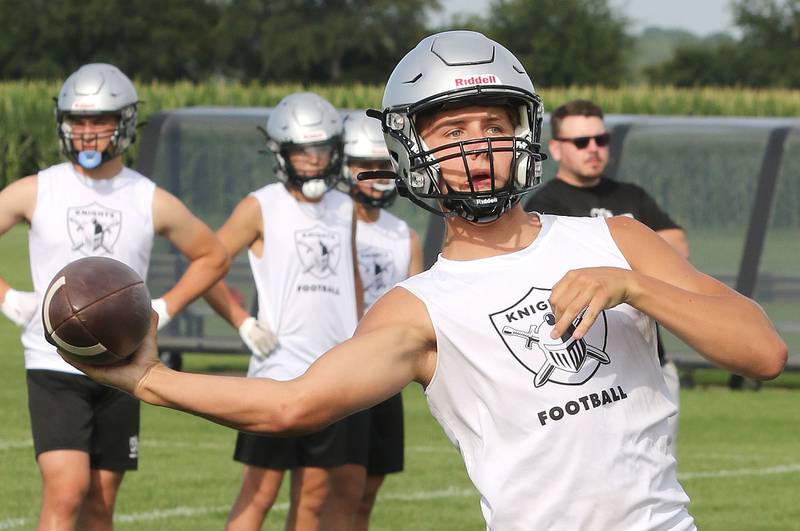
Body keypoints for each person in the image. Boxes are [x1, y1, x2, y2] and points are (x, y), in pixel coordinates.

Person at [66, 32, 786, 531]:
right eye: (450, 132)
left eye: (491, 123)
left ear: (524, 134)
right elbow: (290, 405)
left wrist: (633, 287)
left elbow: (762, 351)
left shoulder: (616, 237)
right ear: (414, 152)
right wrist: (145, 378)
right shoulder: (418, 310)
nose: (476, 147)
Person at [0, 63, 229, 531]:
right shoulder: (38, 188)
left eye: (99, 120)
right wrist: (7, 298)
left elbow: (212, 254)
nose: (86, 132)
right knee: (66, 491)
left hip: (123, 363)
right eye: (76, 121)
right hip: (53, 361)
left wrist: (163, 307)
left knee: (102, 502)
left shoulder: (148, 197)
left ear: (124, 122)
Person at [201, 92, 368, 531]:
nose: (313, 161)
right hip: (277, 375)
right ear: (281, 153)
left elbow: (350, 277)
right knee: (257, 496)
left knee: (314, 499)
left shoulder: (346, 206)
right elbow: (205, 267)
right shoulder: (261, 205)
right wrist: (243, 321)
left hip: (332, 376)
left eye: (321, 150)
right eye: (302, 151)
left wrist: (360, 338)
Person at [526, 98, 689, 457]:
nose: (594, 149)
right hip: (587, 366)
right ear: (556, 148)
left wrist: (615, 273)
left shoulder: (630, 195)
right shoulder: (544, 207)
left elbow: (676, 248)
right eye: (582, 142)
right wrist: (638, 261)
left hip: (652, 360)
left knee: (658, 464)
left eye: (601, 139)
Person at [339, 111, 423, 530]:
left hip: (385, 367)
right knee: (342, 485)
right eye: (364, 167)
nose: (375, 176)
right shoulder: (333, 221)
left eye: (385, 166)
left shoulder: (404, 233)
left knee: (371, 484)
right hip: (345, 364)